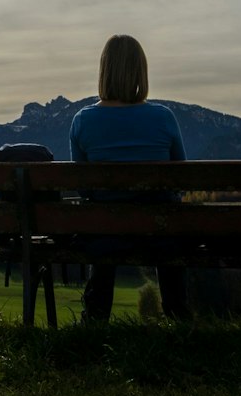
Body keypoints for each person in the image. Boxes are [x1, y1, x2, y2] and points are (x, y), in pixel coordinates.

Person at [68, 34, 190, 322]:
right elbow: (181, 178)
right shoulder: (164, 118)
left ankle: (95, 317)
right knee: (166, 215)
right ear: (140, 71)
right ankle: (177, 314)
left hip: (105, 235)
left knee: (101, 220)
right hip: (160, 234)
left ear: (104, 71)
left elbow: (82, 188)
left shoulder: (82, 121)